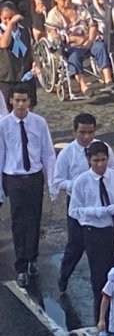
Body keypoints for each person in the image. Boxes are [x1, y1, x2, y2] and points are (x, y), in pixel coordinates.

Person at [0, 85, 57, 287]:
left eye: (24, 100)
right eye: (17, 100)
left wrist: (52, 182)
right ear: (11, 101)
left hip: (33, 177)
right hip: (13, 178)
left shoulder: (39, 123)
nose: (21, 104)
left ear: (30, 102)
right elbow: (0, 156)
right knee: (18, 222)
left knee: (34, 218)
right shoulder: (3, 125)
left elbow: (48, 153)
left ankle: (32, 257)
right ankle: (21, 265)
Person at [70, 141, 114, 322]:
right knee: (99, 277)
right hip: (94, 233)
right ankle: (101, 319)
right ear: (89, 160)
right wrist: (95, 211)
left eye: (103, 160)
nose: (100, 164)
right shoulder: (81, 182)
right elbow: (73, 210)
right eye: (96, 161)